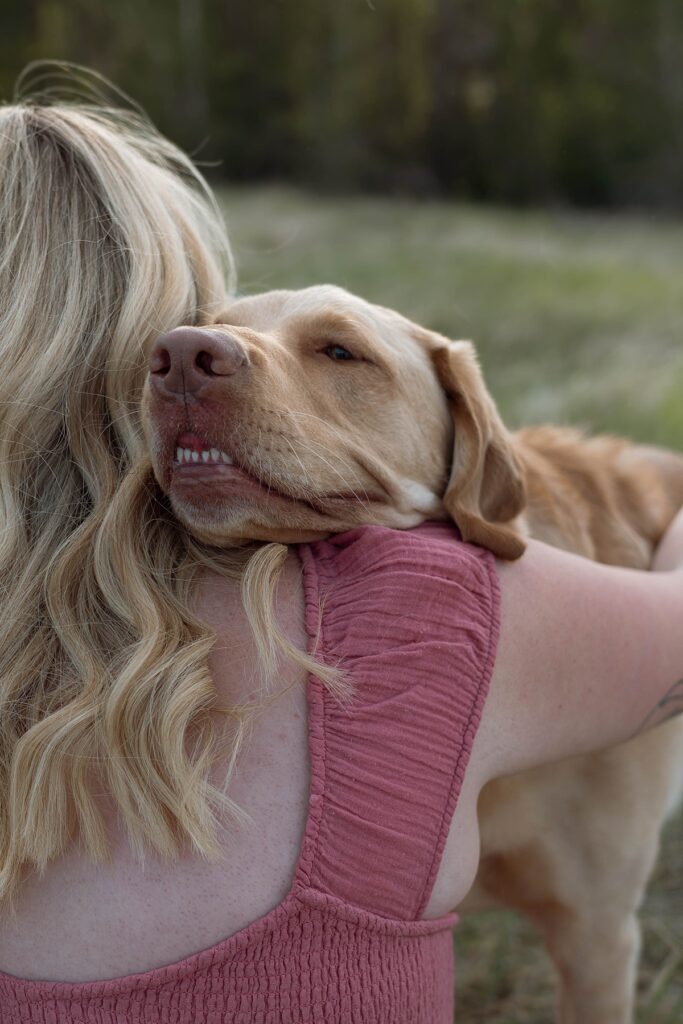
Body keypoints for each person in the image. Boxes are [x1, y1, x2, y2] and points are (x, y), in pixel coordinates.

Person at [0, 65, 681, 1023]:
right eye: (194, 342)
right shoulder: (443, 620)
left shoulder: (469, 597)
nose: (209, 360)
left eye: (337, 354)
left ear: (467, 450)